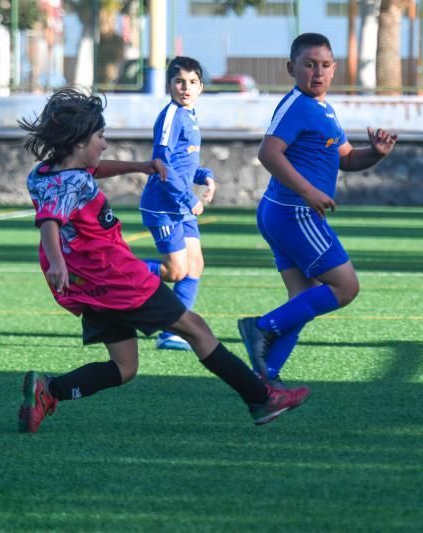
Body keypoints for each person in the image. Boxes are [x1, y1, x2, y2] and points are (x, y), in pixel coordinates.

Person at [17, 87, 308, 433]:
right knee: (197, 330)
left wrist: (140, 166)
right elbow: (50, 221)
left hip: (91, 287)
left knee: (124, 367)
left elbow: (88, 172)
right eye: (100, 136)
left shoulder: (47, 174)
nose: (105, 143)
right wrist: (56, 263)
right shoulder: (69, 185)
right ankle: (262, 398)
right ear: (80, 141)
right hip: (119, 279)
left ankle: (50, 390)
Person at [236, 33, 397, 384]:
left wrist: (376, 154)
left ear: (334, 69)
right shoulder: (298, 106)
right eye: (309, 65)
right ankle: (261, 328)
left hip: (283, 213)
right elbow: (268, 153)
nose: (318, 72)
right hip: (294, 212)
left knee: (305, 298)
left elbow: (348, 158)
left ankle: (266, 381)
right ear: (291, 68)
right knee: (345, 287)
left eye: (324, 65)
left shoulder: (322, 109)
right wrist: (309, 192)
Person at [140, 56, 217, 351]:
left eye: (193, 82)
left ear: (201, 87)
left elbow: (183, 163)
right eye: (179, 81)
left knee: (195, 264)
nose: (186, 87)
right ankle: (116, 269)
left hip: (180, 205)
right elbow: (161, 162)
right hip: (164, 205)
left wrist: (205, 176)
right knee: (175, 271)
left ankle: (173, 332)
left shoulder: (190, 114)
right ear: (169, 85)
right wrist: (188, 197)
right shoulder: (172, 115)